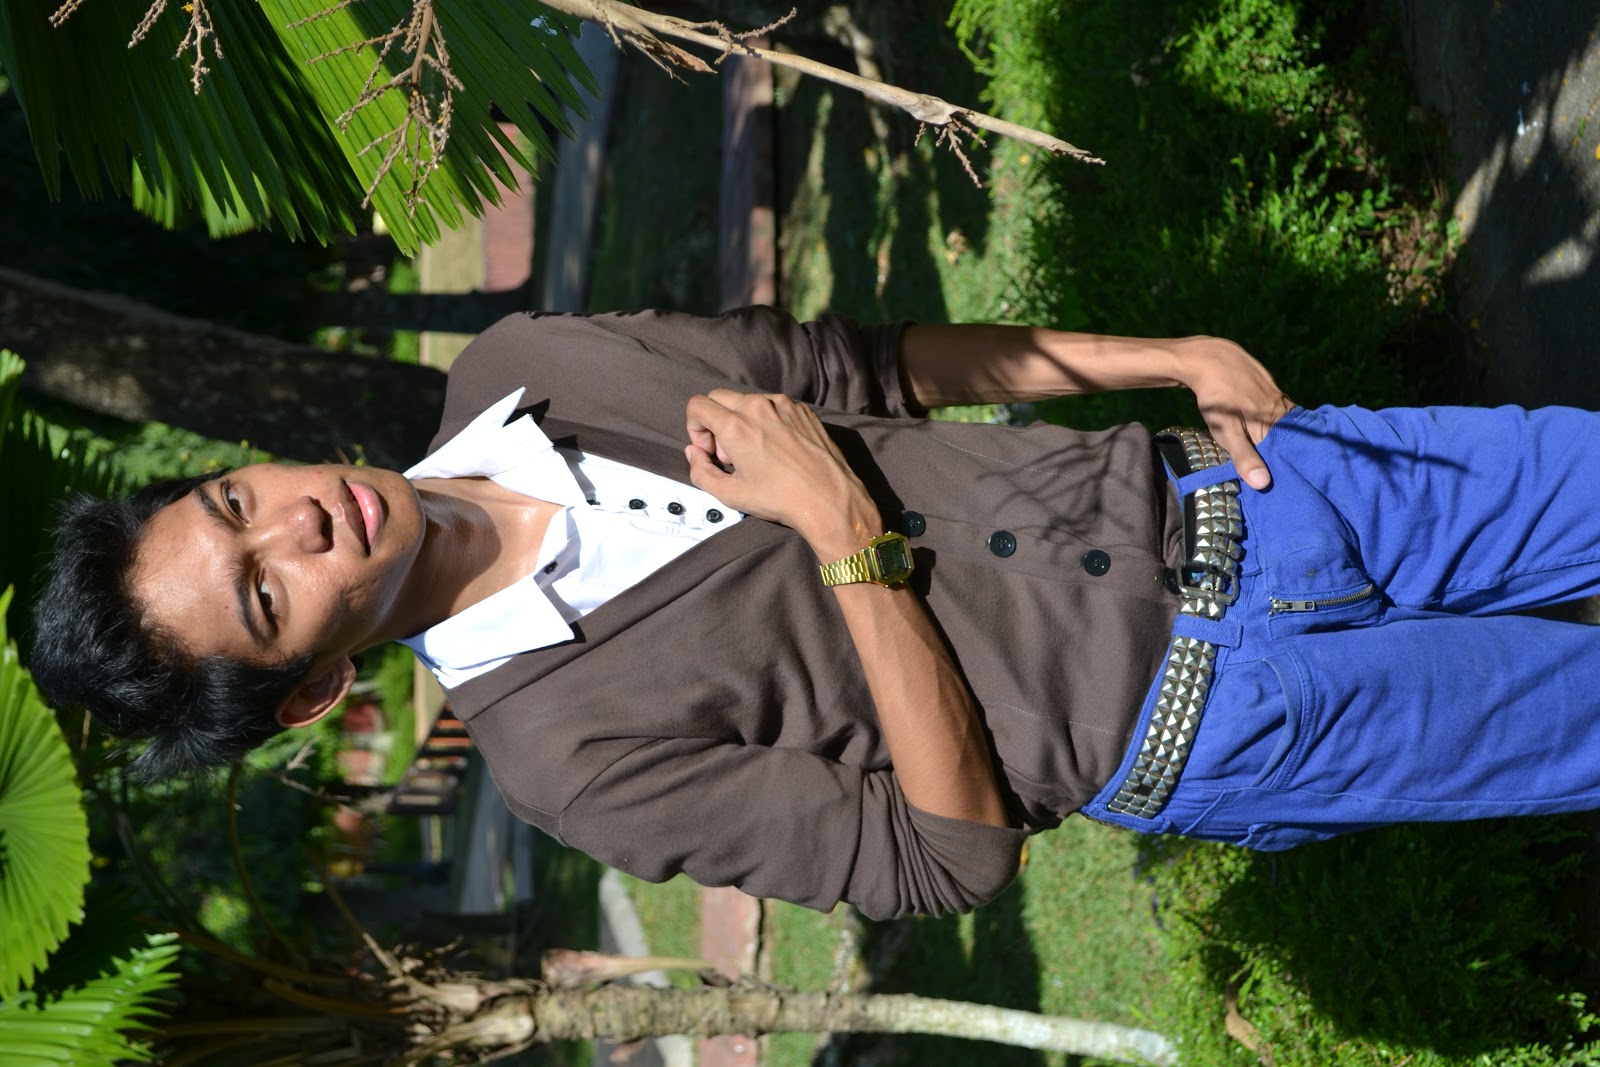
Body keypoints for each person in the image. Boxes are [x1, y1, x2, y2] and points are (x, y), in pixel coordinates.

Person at [31, 307, 1600, 920]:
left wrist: (1165, 357)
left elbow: (873, 362)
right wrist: (848, 540)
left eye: (234, 501)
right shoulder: (566, 754)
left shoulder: (532, 370)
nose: (299, 521)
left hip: (1252, 486)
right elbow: (949, 857)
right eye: (266, 593)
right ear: (310, 689)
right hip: (1232, 720)